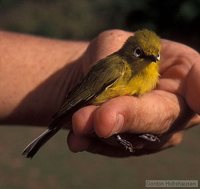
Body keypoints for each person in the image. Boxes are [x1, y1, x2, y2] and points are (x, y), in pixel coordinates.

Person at [0, 29, 199, 157]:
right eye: (139, 53)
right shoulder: (117, 67)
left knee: (110, 120)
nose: (149, 59)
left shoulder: (152, 73)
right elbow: (84, 94)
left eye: (154, 55)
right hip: (82, 104)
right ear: (129, 50)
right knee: (104, 120)